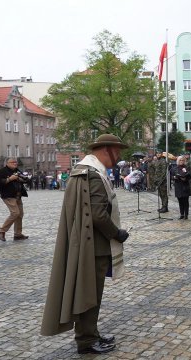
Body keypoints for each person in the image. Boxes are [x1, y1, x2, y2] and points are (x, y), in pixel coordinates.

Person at [41, 134, 130, 354]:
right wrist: (117, 233)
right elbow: (98, 215)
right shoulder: (94, 174)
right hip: (94, 246)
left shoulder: (85, 170)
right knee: (90, 294)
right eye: (116, 150)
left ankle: (90, 334)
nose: (118, 155)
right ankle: (87, 340)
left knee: (87, 291)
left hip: (86, 242)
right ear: (105, 149)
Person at [0, 157, 29, 241]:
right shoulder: (1, 172)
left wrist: (23, 179)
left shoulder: (17, 170)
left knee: (20, 214)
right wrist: (10, 179)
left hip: (18, 195)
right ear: (7, 163)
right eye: (12, 162)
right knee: (15, 213)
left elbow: (25, 180)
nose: (15, 164)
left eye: (16, 162)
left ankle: (18, 234)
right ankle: (1, 231)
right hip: (8, 195)